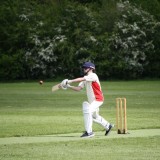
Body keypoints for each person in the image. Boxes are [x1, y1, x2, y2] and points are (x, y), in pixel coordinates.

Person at [63, 62, 114, 138]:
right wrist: (68, 86)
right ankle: (108, 125)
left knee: (88, 111)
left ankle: (89, 132)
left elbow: (80, 79)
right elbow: (78, 88)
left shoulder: (93, 75)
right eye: (83, 68)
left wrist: (69, 81)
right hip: (92, 101)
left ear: (91, 69)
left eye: (85, 68)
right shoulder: (86, 78)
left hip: (98, 99)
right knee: (94, 117)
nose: (84, 69)